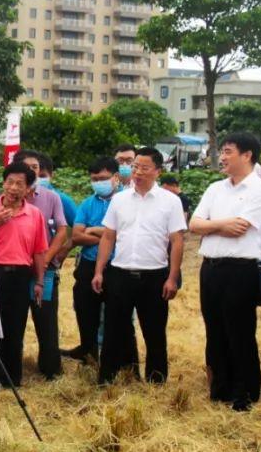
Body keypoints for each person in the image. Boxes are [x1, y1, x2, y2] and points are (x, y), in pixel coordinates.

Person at [190, 133, 261, 409]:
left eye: (228, 152)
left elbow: (242, 227)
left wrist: (212, 224)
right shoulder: (215, 188)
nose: (222, 157)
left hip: (241, 270)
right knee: (214, 329)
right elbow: (194, 224)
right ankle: (221, 388)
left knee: (239, 331)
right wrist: (220, 226)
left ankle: (245, 392)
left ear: (247, 155)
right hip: (211, 268)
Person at [93, 147, 185, 385]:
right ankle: (108, 378)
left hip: (154, 276)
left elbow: (177, 241)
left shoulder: (170, 201)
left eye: (144, 168)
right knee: (114, 330)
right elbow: (108, 237)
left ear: (158, 171)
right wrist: (99, 270)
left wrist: (172, 277)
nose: (138, 172)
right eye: (135, 167)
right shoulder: (119, 199)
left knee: (154, 332)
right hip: (120, 274)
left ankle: (156, 381)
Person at [0, 161, 48, 390]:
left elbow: (39, 251)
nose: (14, 187)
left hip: (20, 275)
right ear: (2, 183)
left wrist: (39, 280)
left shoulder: (34, 214)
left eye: (20, 184)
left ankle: (10, 379)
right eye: (10, 182)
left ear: (28, 189)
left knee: (14, 327)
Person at [12, 150, 68, 379]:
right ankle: (13, 366)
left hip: (44, 269)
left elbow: (63, 229)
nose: (33, 171)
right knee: (14, 319)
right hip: (16, 269)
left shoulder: (51, 197)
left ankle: (50, 368)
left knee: (45, 318)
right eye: (28, 166)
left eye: (36, 167)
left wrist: (48, 257)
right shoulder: (5, 196)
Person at [65, 157, 119, 363]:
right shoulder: (87, 203)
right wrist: (109, 235)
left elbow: (127, 234)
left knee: (115, 316)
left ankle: (112, 359)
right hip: (88, 265)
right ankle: (89, 355)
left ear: (115, 177)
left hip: (116, 267)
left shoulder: (125, 201)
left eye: (103, 178)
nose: (98, 182)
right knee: (86, 312)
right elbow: (77, 236)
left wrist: (96, 230)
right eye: (94, 179)